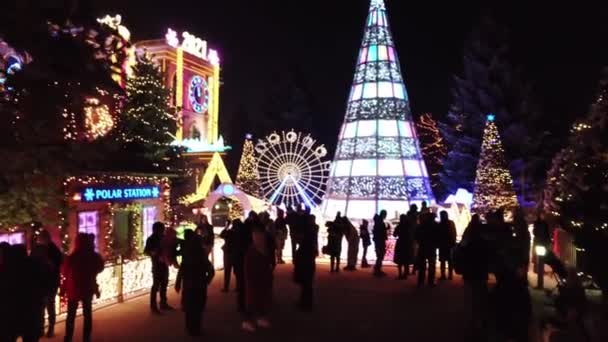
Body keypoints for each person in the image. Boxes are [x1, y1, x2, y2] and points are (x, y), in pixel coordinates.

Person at [62, 234, 104, 342]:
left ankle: (68, 338)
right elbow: (100, 266)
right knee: (87, 314)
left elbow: (65, 271)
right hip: (87, 287)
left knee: (71, 316)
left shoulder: (73, 257)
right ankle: (86, 338)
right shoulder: (93, 256)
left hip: (74, 288)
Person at [175, 233, 215, 336]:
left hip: (189, 285)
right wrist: (206, 280)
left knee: (189, 308)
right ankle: (196, 328)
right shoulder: (202, 256)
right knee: (197, 308)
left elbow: (181, 271)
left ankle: (189, 328)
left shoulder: (187, 255)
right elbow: (211, 271)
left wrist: (178, 283)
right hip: (199, 285)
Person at [460, 214, 489, 340]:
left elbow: (462, 248)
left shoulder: (468, 233)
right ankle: (479, 322)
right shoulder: (483, 235)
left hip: (470, 269)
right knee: (480, 295)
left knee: (471, 296)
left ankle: (472, 323)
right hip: (480, 269)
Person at [243, 226, 274, 332]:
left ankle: (260, 317)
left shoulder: (264, 249)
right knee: (252, 300)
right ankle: (247, 321)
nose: (260, 240)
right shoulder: (251, 251)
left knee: (262, 299)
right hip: (254, 280)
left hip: (263, 279)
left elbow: (268, 264)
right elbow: (248, 269)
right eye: (257, 237)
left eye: (261, 237)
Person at [36, 230, 63, 337]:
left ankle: (50, 328)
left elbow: (57, 264)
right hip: (43, 282)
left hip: (50, 282)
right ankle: (42, 328)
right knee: (42, 307)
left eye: (40, 239)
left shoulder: (53, 250)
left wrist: (48, 262)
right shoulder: (41, 249)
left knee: (49, 306)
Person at [144, 222, 172, 314]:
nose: (163, 230)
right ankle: (153, 306)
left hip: (164, 263)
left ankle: (163, 303)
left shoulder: (163, 237)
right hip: (157, 264)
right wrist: (154, 253)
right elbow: (146, 251)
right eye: (162, 229)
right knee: (156, 285)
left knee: (164, 283)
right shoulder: (151, 239)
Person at [294, 214, 318, 311]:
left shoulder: (306, 236)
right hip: (309, 260)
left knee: (306, 283)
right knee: (308, 284)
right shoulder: (313, 231)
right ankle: (306, 302)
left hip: (305, 261)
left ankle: (305, 303)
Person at [415, 211, 439, 287]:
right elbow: (438, 236)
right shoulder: (435, 225)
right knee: (431, 265)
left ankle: (420, 282)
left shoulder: (422, 225)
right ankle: (430, 282)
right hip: (431, 247)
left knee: (422, 266)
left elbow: (417, 236)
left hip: (422, 247)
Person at [438, 210, 457, 281]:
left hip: (443, 245)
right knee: (449, 261)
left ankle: (443, 275)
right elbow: (454, 232)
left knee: (443, 261)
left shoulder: (440, 224)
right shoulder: (451, 223)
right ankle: (450, 275)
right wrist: (453, 242)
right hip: (449, 244)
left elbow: (438, 235)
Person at [220, 220, 237, 292]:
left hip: (228, 252)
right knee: (236, 271)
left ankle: (226, 287)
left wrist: (226, 227)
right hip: (234, 252)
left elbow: (221, 235)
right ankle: (238, 287)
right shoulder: (236, 232)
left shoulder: (229, 232)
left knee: (227, 270)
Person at [393, 214, 411, 279]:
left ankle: (400, 274)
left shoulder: (399, 226)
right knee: (406, 260)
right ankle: (405, 274)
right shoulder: (408, 226)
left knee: (400, 260)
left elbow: (394, 234)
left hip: (400, 243)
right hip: (406, 243)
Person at [372, 210, 389, 277]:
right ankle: (377, 269)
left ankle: (377, 268)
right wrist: (386, 229)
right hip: (380, 240)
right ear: (383, 214)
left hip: (377, 240)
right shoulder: (380, 222)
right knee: (380, 255)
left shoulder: (378, 221)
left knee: (379, 254)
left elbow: (378, 230)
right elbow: (381, 231)